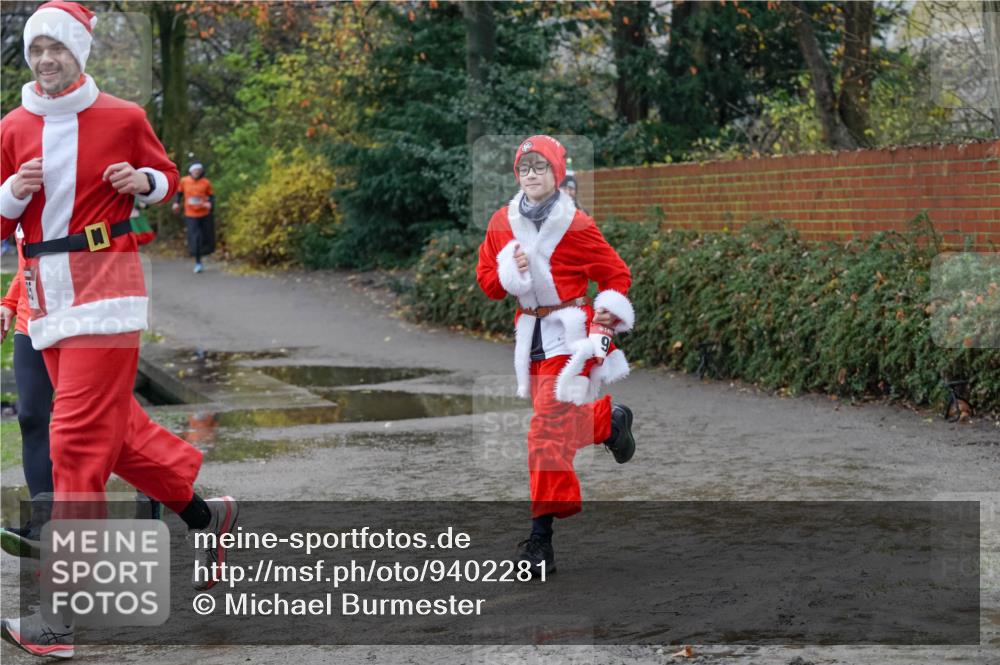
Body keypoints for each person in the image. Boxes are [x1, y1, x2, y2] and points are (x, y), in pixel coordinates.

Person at [0, 3, 237, 658]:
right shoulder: (13, 126)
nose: (46, 60)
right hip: (45, 301)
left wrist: (146, 180)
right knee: (116, 432)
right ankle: (207, 514)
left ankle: (60, 615)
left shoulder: (123, 115)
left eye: (58, 48)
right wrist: (12, 197)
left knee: (74, 444)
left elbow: (162, 178)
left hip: (107, 293)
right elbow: (1, 224)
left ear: (80, 53)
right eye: (37, 48)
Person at [475, 135, 637, 576]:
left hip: (571, 337)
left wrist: (607, 318)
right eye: (524, 167)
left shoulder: (577, 224)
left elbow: (615, 274)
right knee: (555, 436)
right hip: (531, 342)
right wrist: (510, 272)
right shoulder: (501, 223)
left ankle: (540, 545)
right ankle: (608, 422)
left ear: (557, 172)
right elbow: (488, 282)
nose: (531, 174)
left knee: (544, 434)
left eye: (540, 166)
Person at [172, 161, 214, 273]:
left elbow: (211, 196)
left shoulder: (206, 182)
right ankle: (198, 261)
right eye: (195, 170)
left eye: (199, 171)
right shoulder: (184, 181)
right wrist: (176, 203)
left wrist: (210, 203)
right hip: (191, 214)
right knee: (196, 237)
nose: (197, 172)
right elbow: (179, 194)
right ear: (191, 171)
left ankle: (204, 255)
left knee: (205, 237)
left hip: (204, 214)